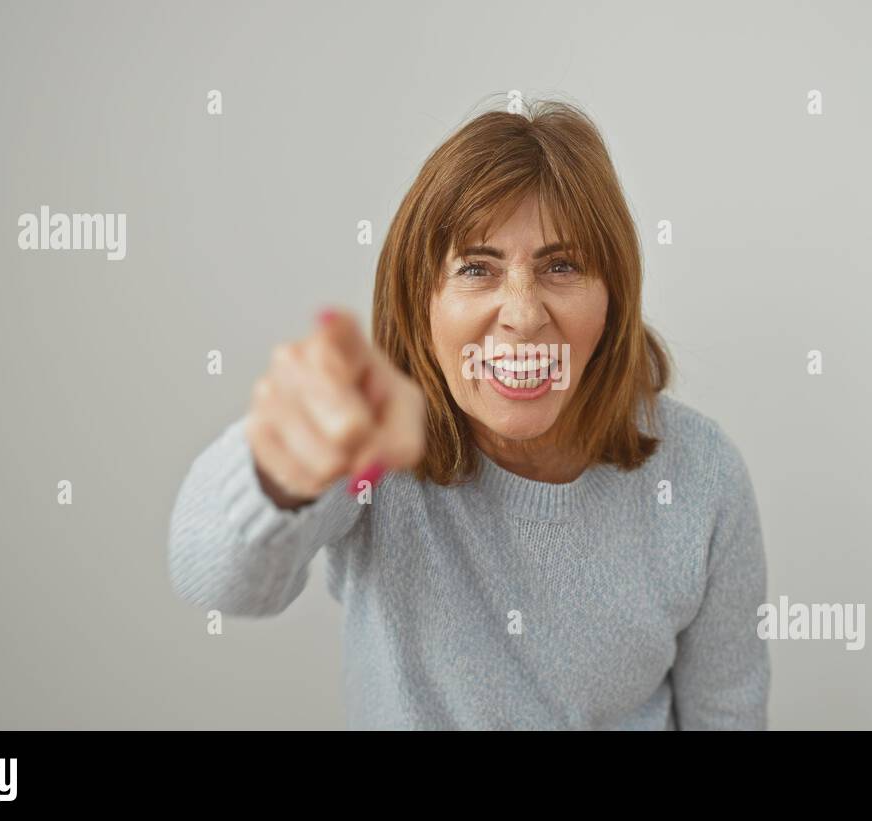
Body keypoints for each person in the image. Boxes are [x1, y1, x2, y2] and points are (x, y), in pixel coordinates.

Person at [167, 97, 769, 730]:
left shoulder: (701, 473)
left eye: (561, 266)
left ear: (613, 299)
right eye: (476, 269)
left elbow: (726, 713)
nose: (523, 314)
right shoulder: (377, 445)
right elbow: (214, 579)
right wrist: (279, 468)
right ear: (420, 303)